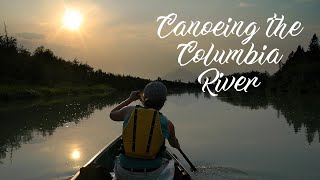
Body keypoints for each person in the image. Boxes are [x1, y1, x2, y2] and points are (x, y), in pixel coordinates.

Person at [109, 81, 180, 180]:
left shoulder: (128, 111)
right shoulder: (167, 123)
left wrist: (130, 99)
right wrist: (176, 144)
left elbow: (112, 114)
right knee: (172, 165)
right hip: (152, 175)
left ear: (144, 97)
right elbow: (173, 144)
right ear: (164, 101)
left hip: (124, 172)